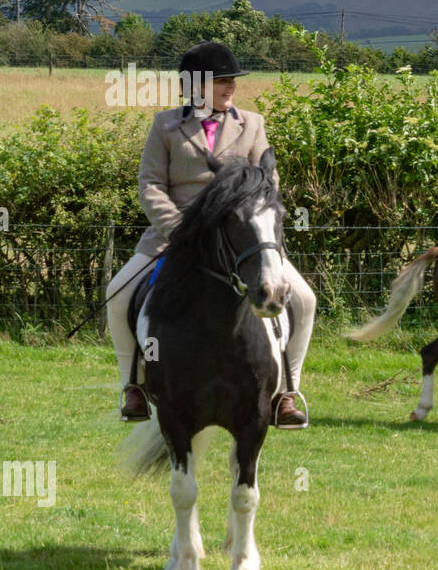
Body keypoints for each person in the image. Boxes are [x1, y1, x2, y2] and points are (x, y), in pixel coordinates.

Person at [106, 40, 316, 427]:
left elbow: (268, 182)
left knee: (304, 299)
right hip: (176, 234)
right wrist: (177, 229)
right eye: (221, 80)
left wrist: (256, 223)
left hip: (243, 236)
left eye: (231, 80)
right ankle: (133, 387)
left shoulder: (252, 124)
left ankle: (287, 392)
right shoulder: (165, 125)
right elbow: (150, 184)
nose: (230, 87)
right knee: (117, 295)